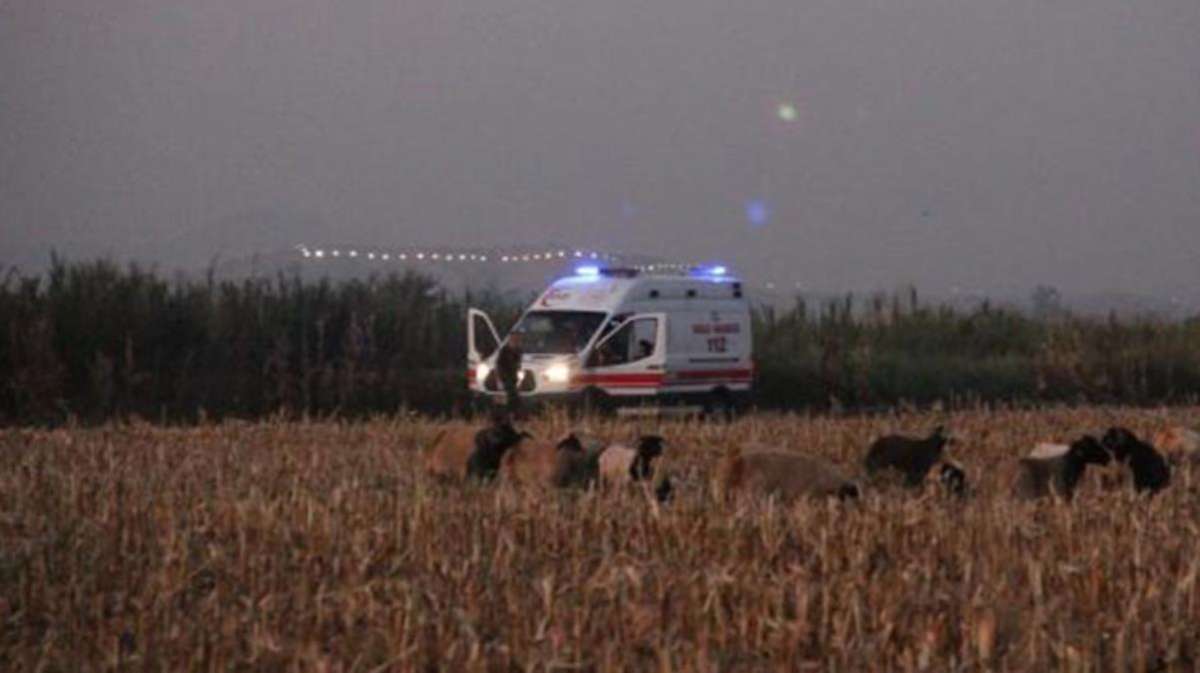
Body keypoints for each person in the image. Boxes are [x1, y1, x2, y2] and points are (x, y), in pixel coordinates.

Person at [495, 331, 524, 417]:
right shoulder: (504, 350)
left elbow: (518, 363)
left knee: (513, 396)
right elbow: (499, 364)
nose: (516, 340)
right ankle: (512, 414)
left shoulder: (519, 350)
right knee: (513, 395)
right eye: (514, 338)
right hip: (505, 376)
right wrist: (500, 377)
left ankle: (511, 414)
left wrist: (518, 371)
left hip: (513, 376)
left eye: (517, 339)